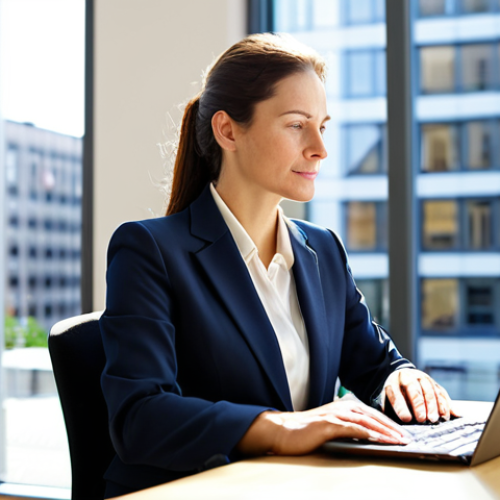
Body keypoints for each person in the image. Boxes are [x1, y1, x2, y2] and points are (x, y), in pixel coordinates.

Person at [99, 32, 457, 498]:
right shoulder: (148, 250)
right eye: (296, 125)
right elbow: (140, 417)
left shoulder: (322, 249)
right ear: (228, 130)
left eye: (322, 127)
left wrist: (401, 377)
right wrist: (280, 428)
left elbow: (375, 364)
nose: (319, 149)